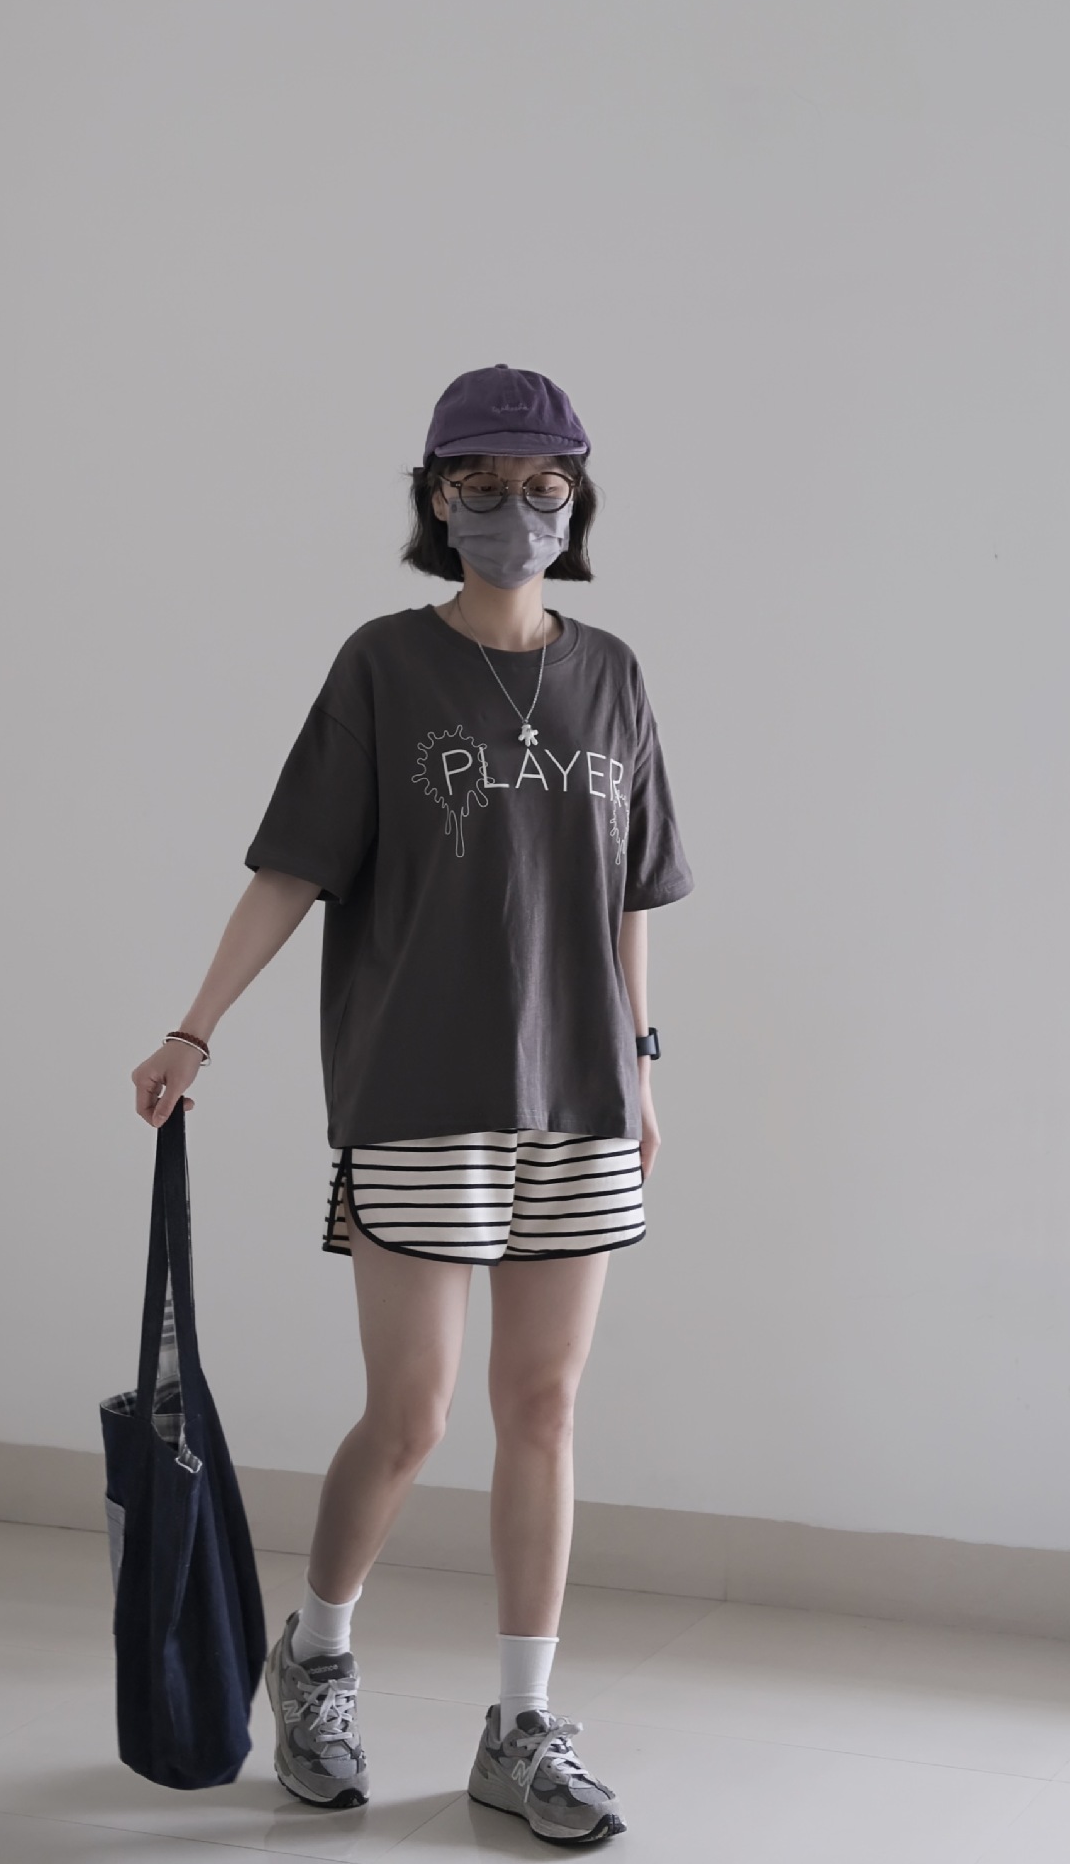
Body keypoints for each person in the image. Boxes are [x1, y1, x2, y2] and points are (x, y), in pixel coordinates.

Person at [130, 364, 694, 1845]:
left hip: (580, 1094)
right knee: (413, 1413)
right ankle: (316, 1659)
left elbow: (633, 891)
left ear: (577, 499)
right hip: (422, 1089)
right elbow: (295, 868)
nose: (514, 510)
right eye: (480, 486)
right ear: (436, 500)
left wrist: (641, 1063)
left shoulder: (615, 674)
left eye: (540, 485)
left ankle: (523, 1726)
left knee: (544, 1408)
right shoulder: (383, 665)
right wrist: (195, 1027)